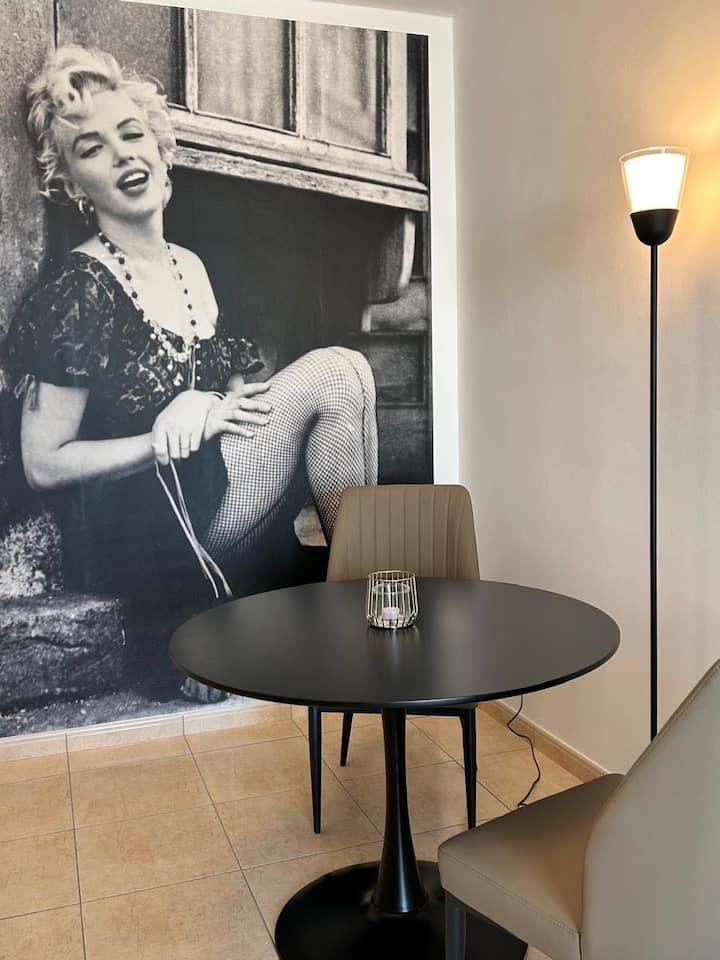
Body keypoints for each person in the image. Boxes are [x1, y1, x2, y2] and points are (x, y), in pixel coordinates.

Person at [1, 46, 378, 701]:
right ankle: (370, 612)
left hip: (208, 492)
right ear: (72, 185)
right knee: (338, 371)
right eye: (91, 149)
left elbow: (232, 390)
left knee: (349, 377)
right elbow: (43, 463)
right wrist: (160, 438)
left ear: (160, 147)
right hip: (139, 530)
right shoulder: (78, 289)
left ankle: (362, 598)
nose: (122, 156)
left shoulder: (189, 266)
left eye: (131, 134)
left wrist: (202, 403)